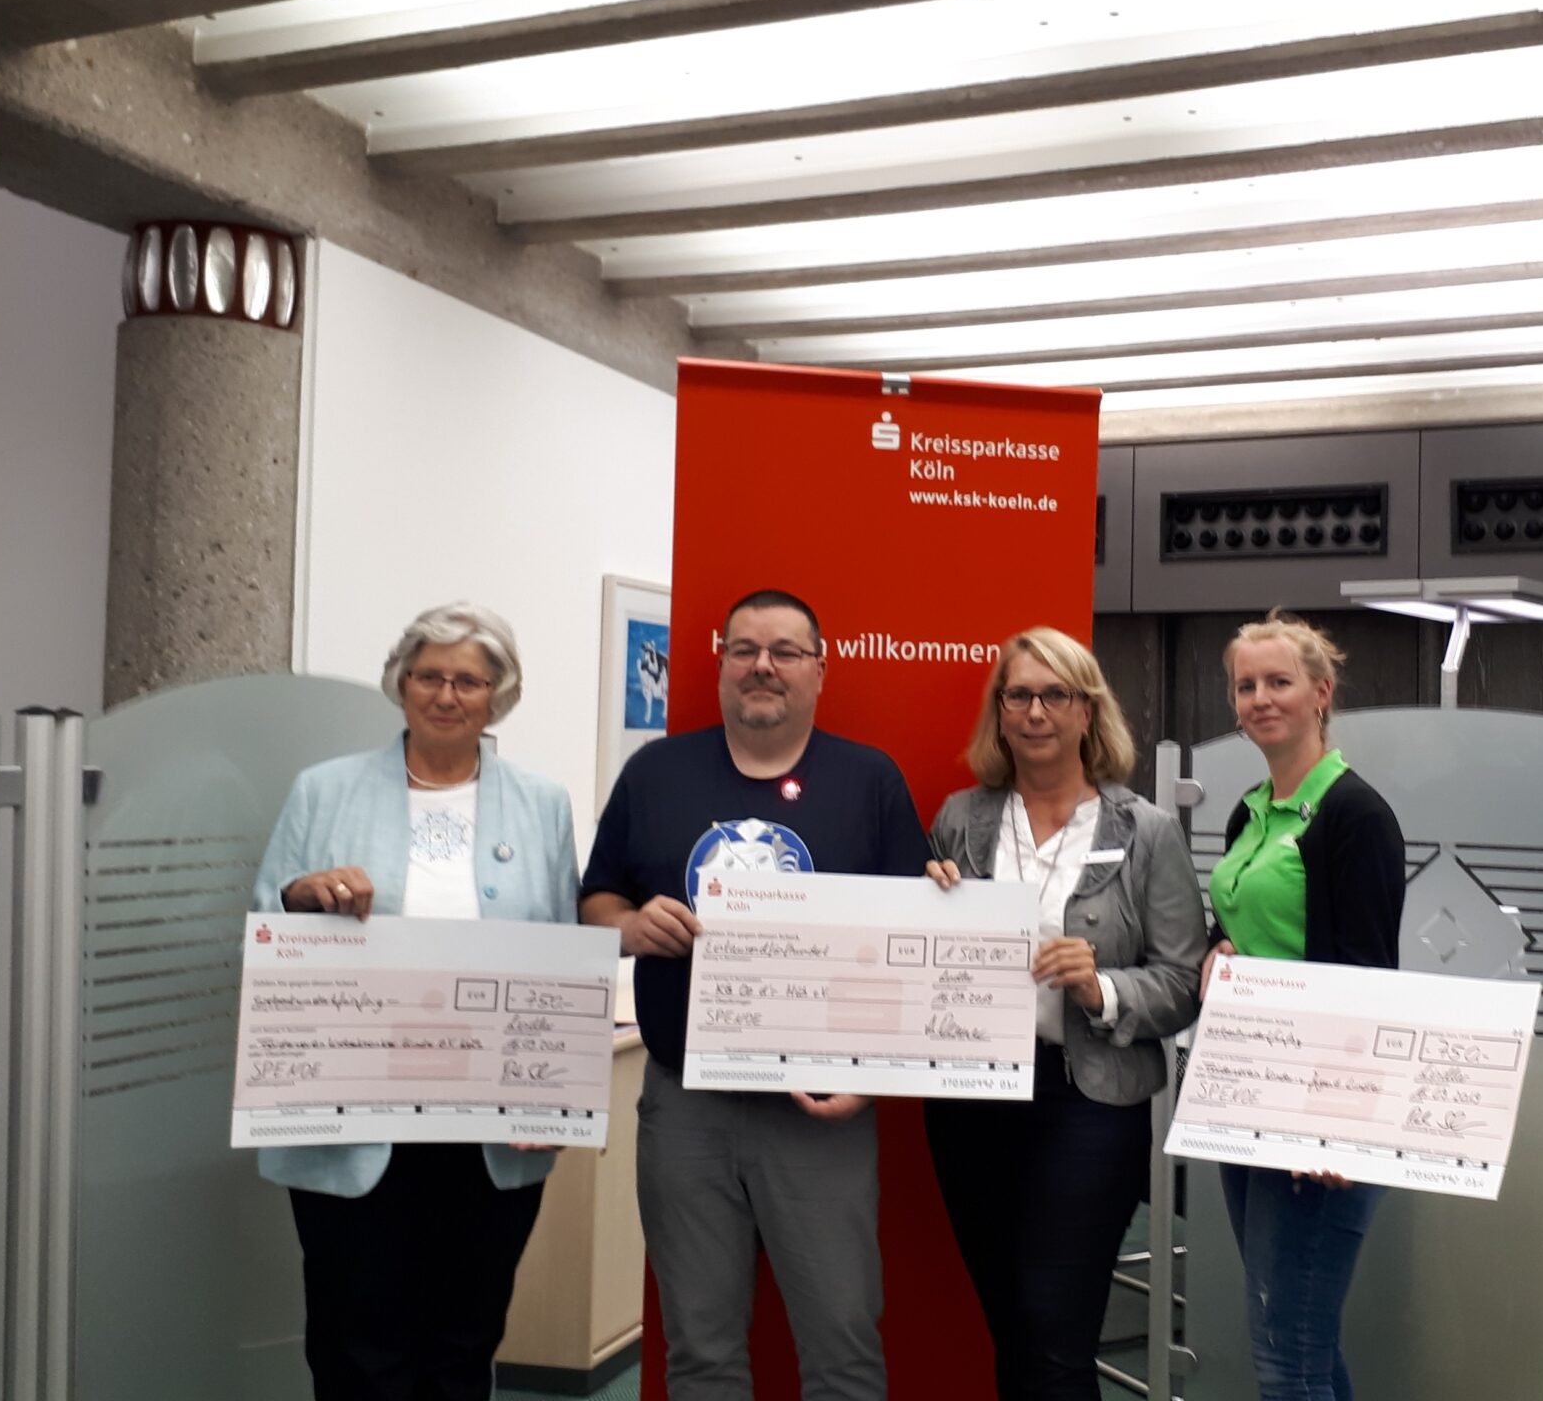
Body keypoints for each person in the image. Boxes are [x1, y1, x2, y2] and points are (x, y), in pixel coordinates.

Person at [579, 589, 930, 1401]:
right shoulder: (655, 773)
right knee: (699, 1350)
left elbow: (910, 944)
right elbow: (595, 900)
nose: (762, 666)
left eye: (784, 651)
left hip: (818, 1107)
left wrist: (873, 1077)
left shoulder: (869, 780)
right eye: (743, 649)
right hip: (686, 1107)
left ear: (820, 670)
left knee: (843, 1344)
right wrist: (630, 926)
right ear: (720, 664)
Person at [251, 601, 581, 1401]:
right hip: (357, 1117)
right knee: (357, 1342)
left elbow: (563, 956)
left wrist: (555, 1098)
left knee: (465, 1337)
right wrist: (302, 896)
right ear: (401, 683)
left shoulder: (542, 804)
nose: (447, 694)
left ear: (498, 695)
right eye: (429, 675)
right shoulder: (322, 791)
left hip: (488, 1125)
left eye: (469, 680)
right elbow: (266, 928)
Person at [921, 627, 1206, 1401]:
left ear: (1088, 711)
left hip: (1090, 1102)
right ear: (1000, 711)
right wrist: (931, 906)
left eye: (1056, 695)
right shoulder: (959, 820)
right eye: (1018, 695)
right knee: (1012, 1325)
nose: (1036, 711)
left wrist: (1101, 989)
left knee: (1055, 1333)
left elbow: (1184, 982)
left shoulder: (1144, 830)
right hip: (972, 1099)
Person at [1201, 610, 1406, 1401]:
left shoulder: (1356, 816)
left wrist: (1336, 1120)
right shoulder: (1249, 810)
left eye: (1278, 682)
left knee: (1286, 1357)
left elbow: (1367, 978)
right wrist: (1216, 950)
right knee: (1300, 1345)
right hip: (1249, 1087)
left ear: (1321, 693)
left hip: (1317, 1103)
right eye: (1245, 685)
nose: (1259, 699)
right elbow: (1243, 924)